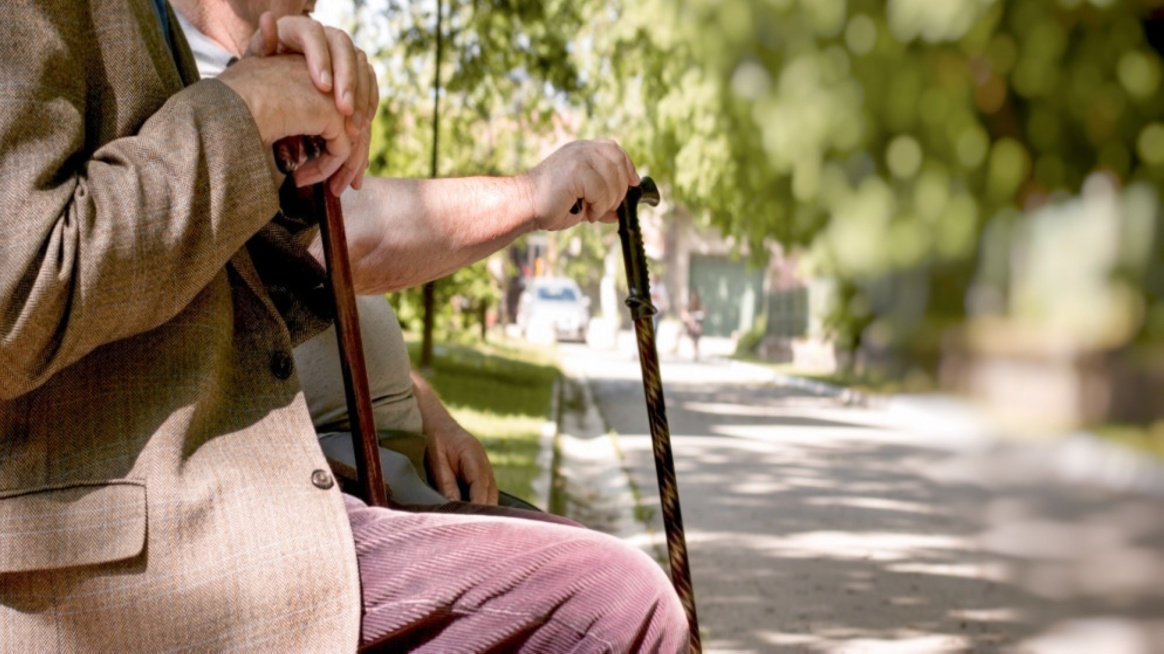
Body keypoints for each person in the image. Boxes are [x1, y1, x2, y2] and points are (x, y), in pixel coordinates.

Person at [0, 1, 686, 651]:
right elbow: (21, 286)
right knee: (617, 605)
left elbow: (251, 270)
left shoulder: (174, 40)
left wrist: (421, 403)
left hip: (317, 485)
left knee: (600, 579)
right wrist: (248, 108)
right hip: (177, 542)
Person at [684, 289, 705, 361]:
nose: (694, 299)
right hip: (690, 325)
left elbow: (703, 313)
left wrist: (698, 315)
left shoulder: (700, 305)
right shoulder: (689, 306)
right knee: (693, 325)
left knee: (697, 328)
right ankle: (695, 350)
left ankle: (696, 351)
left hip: (697, 326)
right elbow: (684, 315)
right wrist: (690, 317)